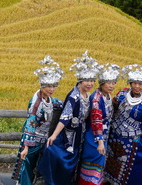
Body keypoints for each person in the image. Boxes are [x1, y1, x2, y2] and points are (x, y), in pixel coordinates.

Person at [39, 51, 99, 185]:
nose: (90, 83)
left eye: (92, 81)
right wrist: (54, 135)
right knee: (64, 161)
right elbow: (65, 117)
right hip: (69, 136)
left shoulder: (87, 95)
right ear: (80, 81)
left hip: (80, 134)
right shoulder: (74, 96)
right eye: (87, 80)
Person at [105, 64, 142, 185]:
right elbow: (111, 108)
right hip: (114, 135)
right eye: (135, 83)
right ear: (130, 83)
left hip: (132, 139)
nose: (137, 86)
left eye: (141, 84)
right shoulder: (122, 93)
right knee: (110, 160)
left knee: (126, 166)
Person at [11, 55, 64, 185]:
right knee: (27, 167)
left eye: (54, 86)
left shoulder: (49, 99)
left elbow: (56, 103)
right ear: (42, 86)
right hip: (33, 140)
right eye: (48, 86)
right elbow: (31, 122)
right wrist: (26, 147)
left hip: (43, 139)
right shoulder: (36, 103)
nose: (51, 89)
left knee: (38, 167)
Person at [78, 63, 119, 185]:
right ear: (102, 84)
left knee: (99, 167)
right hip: (94, 139)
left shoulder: (107, 96)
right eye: (108, 83)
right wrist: (100, 142)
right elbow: (96, 121)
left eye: (113, 83)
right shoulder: (96, 98)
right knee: (92, 166)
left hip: (102, 137)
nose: (111, 86)